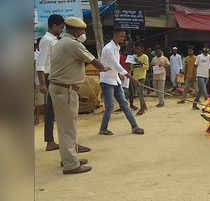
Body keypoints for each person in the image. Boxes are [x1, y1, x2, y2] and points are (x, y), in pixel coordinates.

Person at [49, 16, 111, 174]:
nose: (83, 32)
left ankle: (69, 158)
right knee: (67, 128)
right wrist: (104, 68)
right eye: (82, 30)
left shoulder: (61, 42)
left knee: (66, 127)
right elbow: (93, 60)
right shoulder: (72, 44)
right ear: (75, 30)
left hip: (61, 89)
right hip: (65, 90)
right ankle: (71, 164)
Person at [99, 29, 145, 136]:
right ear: (115, 35)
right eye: (121, 36)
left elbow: (115, 65)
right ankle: (103, 129)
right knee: (110, 106)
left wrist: (119, 74)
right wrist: (130, 77)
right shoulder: (108, 49)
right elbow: (116, 65)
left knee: (124, 104)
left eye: (124, 37)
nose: (123, 39)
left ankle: (135, 127)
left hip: (115, 79)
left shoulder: (117, 47)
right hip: (106, 81)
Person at [36, 14, 64, 151]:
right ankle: (50, 141)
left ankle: (52, 140)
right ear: (53, 26)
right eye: (60, 27)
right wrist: (42, 83)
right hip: (49, 78)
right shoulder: (47, 40)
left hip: (56, 77)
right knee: (50, 111)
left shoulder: (55, 40)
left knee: (53, 111)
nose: (62, 30)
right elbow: (40, 64)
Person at [129, 42, 149, 115]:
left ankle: (142, 109)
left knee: (140, 93)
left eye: (137, 49)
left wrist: (139, 62)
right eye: (135, 49)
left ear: (141, 49)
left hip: (142, 77)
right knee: (139, 93)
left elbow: (147, 67)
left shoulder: (145, 57)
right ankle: (144, 106)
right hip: (135, 77)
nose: (136, 50)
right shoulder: (133, 57)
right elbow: (132, 67)